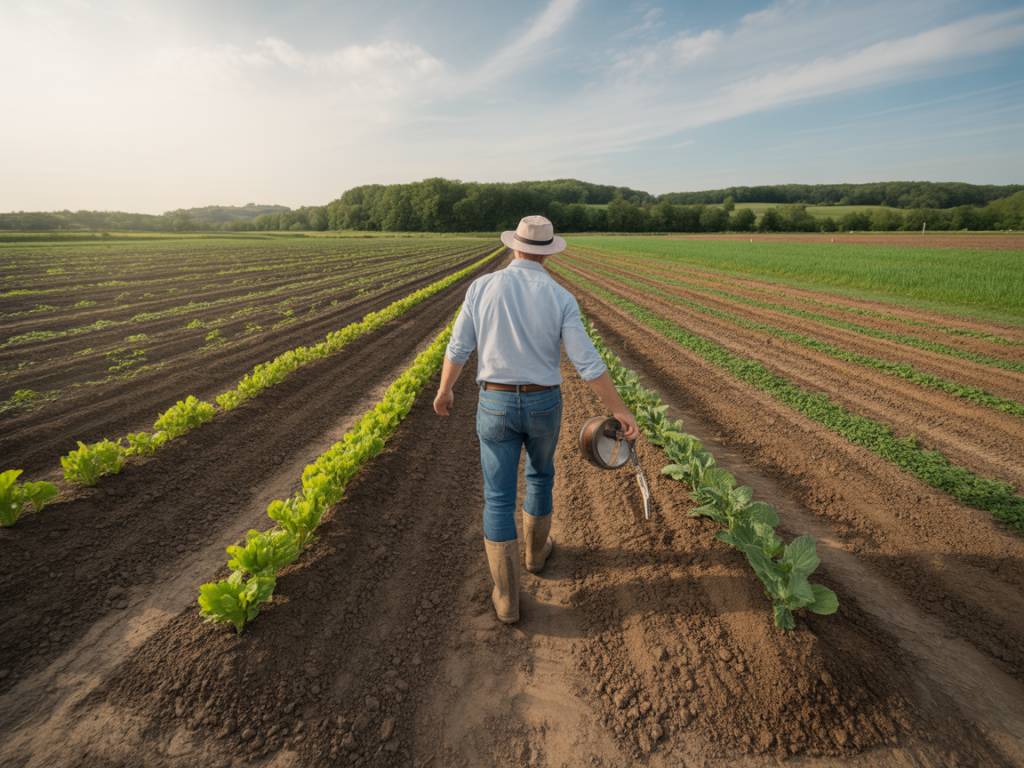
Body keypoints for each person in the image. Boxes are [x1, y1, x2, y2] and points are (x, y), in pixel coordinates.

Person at [433, 215, 640, 624]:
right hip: (544, 402)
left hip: (494, 402)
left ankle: (507, 599)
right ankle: (535, 555)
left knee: (497, 496)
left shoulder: (482, 287)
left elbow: (459, 346)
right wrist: (619, 409)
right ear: (547, 254)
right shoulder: (560, 296)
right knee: (541, 476)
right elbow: (586, 361)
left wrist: (445, 389)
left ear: (514, 247)